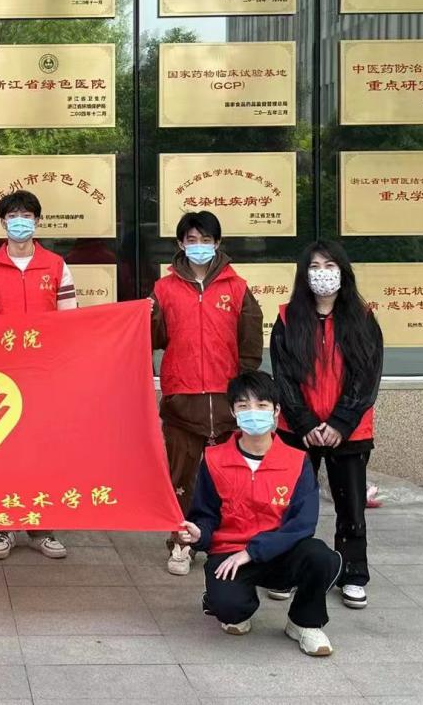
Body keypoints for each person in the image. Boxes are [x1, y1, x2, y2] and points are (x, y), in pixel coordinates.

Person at [178, 370, 342, 658]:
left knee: (320, 557)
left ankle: (304, 622)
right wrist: (199, 533)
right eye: (243, 406)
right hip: (230, 554)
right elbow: (205, 513)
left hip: (280, 552)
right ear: (233, 412)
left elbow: (302, 524)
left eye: (262, 405)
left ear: (276, 411)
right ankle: (224, 600)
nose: (253, 412)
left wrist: (253, 551)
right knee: (231, 611)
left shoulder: (296, 461)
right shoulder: (215, 459)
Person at [271, 240, 382, 611]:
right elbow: (284, 377)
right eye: (314, 267)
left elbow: (367, 378)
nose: (322, 274)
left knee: (351, 507)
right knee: (291, 504)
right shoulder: (287, 319)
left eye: (329, 265)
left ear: (343, 271)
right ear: (304, 275)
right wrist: (304, 422)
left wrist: (339, 423)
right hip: (297, 430)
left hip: (349, 432)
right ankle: (286, 571)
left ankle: (353, 573)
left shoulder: (363, 319)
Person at [153, 211, 263, 576]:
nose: (198, 246)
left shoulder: (237, 287)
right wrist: (149, 316)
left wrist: (243, 394)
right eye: (191, 240)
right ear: (180, 244)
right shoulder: (164, 289)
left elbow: (250, 344)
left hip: (227, 401)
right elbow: (154, 338)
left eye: (205, 240)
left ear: (217, 244)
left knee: (229, 478)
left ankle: (227, 541)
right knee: (181, 477)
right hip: (182, 400)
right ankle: (181, 542)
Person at [0, 189, 73, 561]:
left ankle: (42, 528)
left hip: (45, 376)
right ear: (2, 222)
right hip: (3, 378)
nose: (20, 222)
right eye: (13, 216)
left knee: (43, 450)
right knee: (3, 451)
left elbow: (70, 322)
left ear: (37, 221)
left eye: (26, 216)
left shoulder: (56, 265)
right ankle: (4, 525)